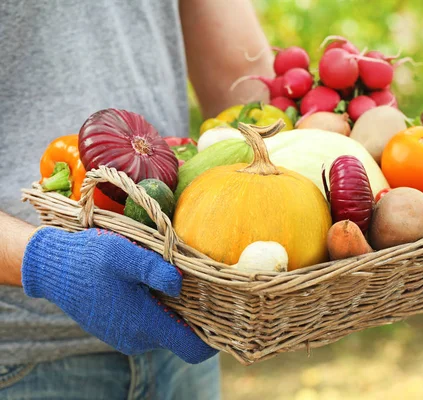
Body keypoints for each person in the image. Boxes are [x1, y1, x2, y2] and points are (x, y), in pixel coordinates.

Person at [0, 1, 274, 398]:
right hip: (24, 360)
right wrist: (43, 261)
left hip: (185, 331)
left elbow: (240, 80)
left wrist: (319, 124)